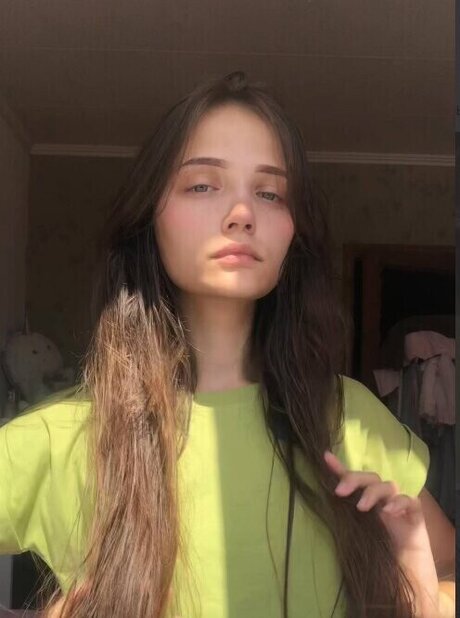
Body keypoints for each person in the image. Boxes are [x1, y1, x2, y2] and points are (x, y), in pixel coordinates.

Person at [0, 72, 455, 618]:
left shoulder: (349, 418)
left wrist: (428, 601)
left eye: (270, 193)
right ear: (149, 217)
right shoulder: (57, 440)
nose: (242, 213)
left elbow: (447, 567)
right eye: (202, 185)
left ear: (293, 232)